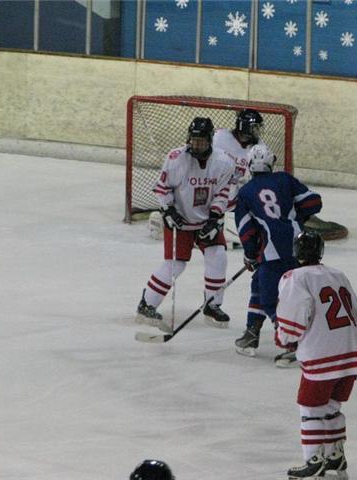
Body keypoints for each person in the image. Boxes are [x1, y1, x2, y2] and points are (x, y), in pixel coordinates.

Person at [275, 231, 357, 479]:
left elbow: (294, 314)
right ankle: (335, 456)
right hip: (350, 353)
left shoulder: (295, 277)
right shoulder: (339, 275)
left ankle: (314, 461)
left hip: (322, 354)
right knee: (332, 406)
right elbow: (356, 310)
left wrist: (286, 338)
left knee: (310, 408)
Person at [136, 117, 236, 332]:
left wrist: (214, 218)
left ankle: (212, 305)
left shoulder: (224, 162)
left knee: (218, 256)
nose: (196, 144)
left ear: (210, 140)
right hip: (180, 220)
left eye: (201, 141)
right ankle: (147, 304)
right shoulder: (176, 158)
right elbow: (162, 188)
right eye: (193, 140)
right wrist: (168, 210)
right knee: (175, 264)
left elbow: (222, 193)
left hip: (206, 221)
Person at [233, 144, 322, 359]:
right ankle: (252, 331)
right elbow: (314, 202)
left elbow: (246, 230)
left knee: (270, 298)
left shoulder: (245, 192)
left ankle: (291, 342)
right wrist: (294, 218)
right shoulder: (284, 179)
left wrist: (250, 254)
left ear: (249, 166)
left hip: (272, 251)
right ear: (271, 163)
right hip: (299, 247)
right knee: (261, 284)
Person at [212, 108, 267, 211]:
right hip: (214, 191)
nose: (257, 131)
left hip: (239, 199)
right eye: (255, 128)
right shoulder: (219, 137)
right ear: (245, 127)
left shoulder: (260, 147)